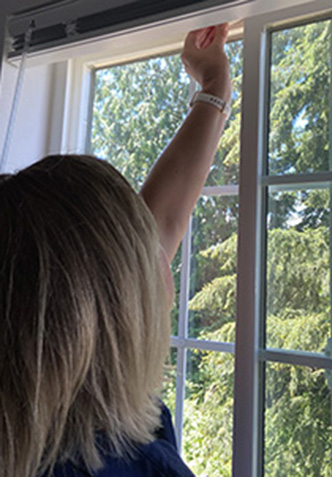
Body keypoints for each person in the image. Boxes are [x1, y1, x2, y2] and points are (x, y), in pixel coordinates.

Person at [0, 23, 232, 477]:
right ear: (113, 310)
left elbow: (161, 222)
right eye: (144, 258)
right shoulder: (132, 466)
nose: (161, 254)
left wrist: (214, 90)